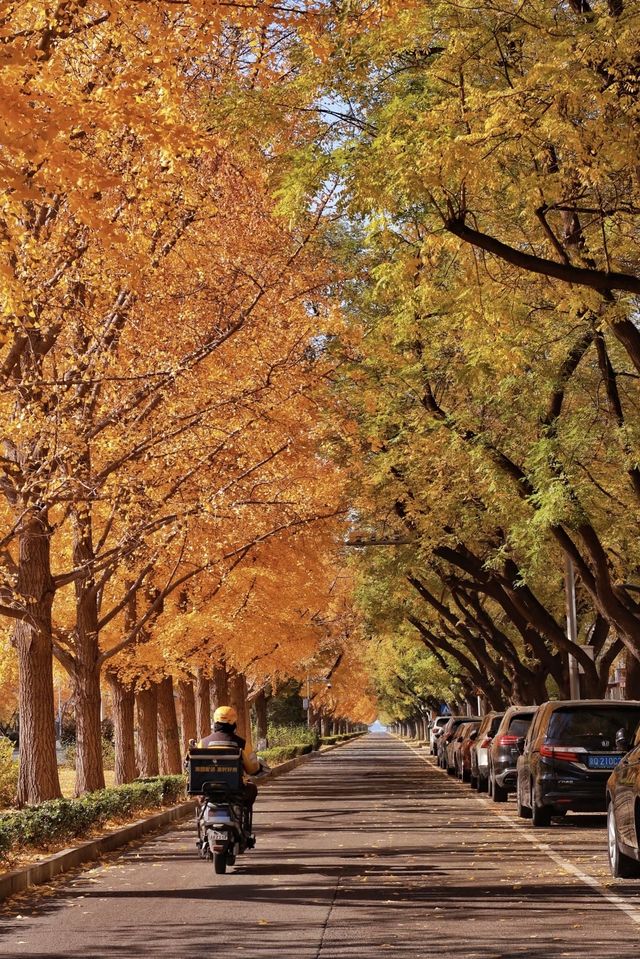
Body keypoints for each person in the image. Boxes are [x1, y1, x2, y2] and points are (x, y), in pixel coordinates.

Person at [197, 705, 261, 835]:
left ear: (215, 722)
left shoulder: (203, 743)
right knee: (252, 789)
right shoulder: (242, 744)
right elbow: (252, 768)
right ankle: (245, 828)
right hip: (234, 789)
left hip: (208, 788)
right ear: (234, 723)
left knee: (200, 797)